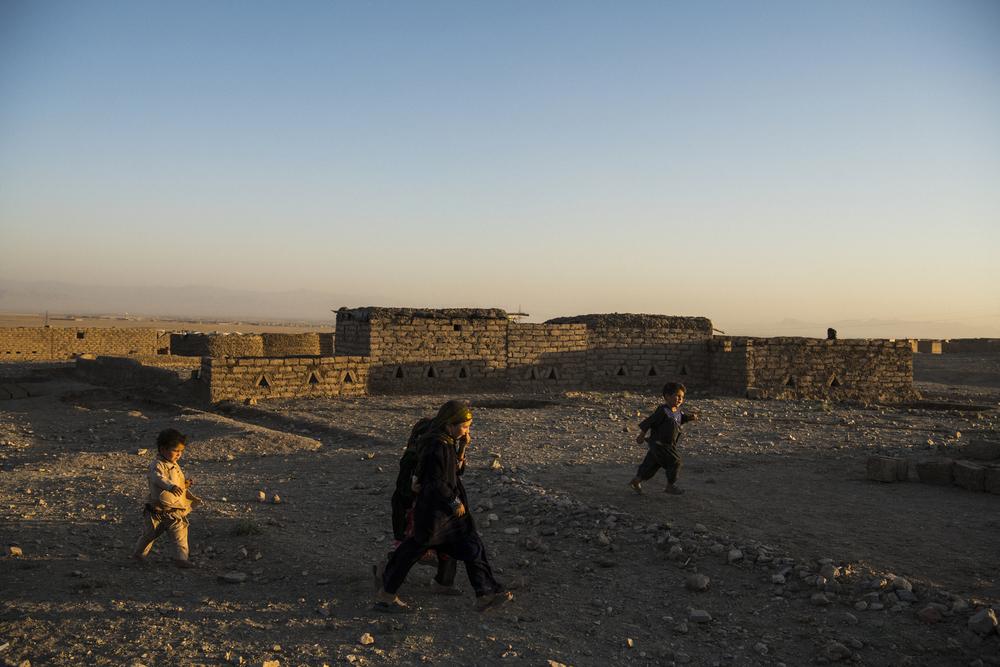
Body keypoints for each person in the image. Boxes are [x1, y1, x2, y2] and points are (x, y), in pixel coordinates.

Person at [375, 400, 511, 612]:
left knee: (471, 546)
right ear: (449, 424)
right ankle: (386, 593)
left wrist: (463, 445)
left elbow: (455, 472)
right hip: (436, 513)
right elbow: (435, 481)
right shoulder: (436, 446)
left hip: (444, 514)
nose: (467, 431)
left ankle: (486, 593)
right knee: (412, 551)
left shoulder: (446, 443)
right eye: (464, 426)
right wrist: (453, 500)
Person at [131, 428, 202, 567]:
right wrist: (170, 486)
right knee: (149, 535)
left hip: (172, 510)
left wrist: (184, 484)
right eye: (176, 451)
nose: (179, 454)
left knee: (180, 532)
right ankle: (138, 555)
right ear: (163, 449)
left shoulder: (174, 465)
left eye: (181, 451)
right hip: (155, 511)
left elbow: (176, 483)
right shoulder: (156, 465)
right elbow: (158, 478)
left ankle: (181, 558)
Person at [629, 382, 699, 495]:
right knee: (675, 461)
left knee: (651, 466)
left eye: (682, 397)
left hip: (666, 445)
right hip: (660, 444)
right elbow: (649, 422)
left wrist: (691, 417)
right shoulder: (662, 411)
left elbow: (681, 418)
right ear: (667, 396)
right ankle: (670, 486)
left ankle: (636, 481)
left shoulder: (677, 411)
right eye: (677, 396)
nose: (680, 399)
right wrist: (641, 436)